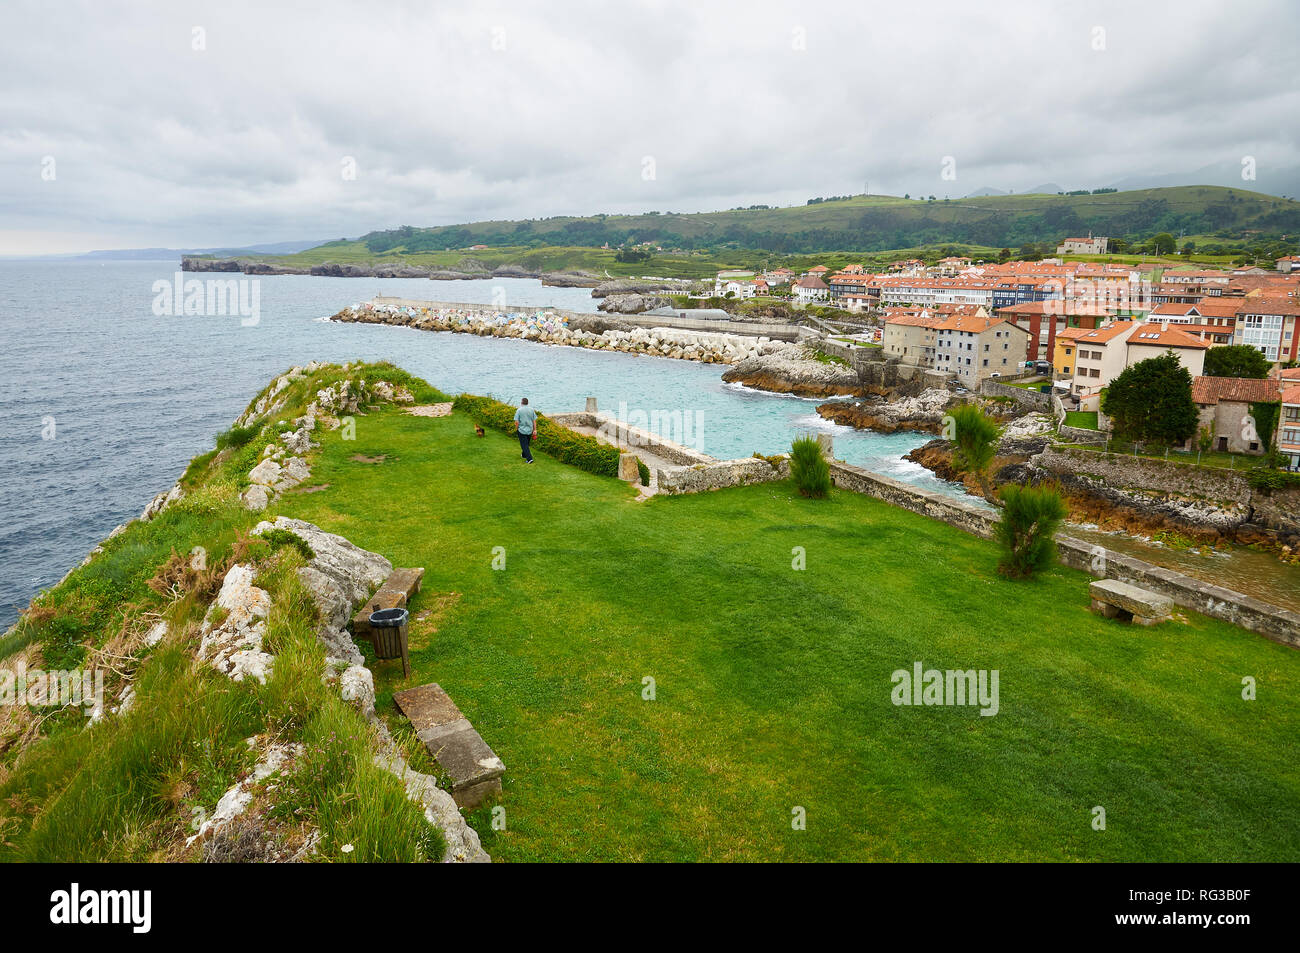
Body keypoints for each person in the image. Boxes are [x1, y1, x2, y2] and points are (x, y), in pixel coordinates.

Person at [513, 397, 537, 464]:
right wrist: (535, 429)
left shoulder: (519, 410)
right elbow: (534, 421)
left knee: (524, 445)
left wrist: (517, 428)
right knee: (526, 444)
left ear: (521, 402)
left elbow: (516, 422)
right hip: (530, 430)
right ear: (527, 403)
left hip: (522, 430)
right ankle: (524, 455)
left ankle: (529, 459)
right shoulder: (532, 410)